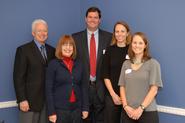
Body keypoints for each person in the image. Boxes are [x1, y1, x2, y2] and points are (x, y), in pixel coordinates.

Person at [72, 6, 112, 123]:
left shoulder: (109, 38)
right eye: (90, 17)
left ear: (100, 20)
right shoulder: (75, 38)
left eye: (96, 17)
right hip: (82, 88)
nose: (93, 20)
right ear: (85, 19)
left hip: (102, 89)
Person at [13, 19, 55, 123]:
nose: (42, 33)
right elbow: (18, 77)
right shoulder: (23, 50)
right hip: (29, 102)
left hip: (47, 102)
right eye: (39, 31)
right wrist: (22, 99)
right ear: (33, 33)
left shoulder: (52, 51)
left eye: (45, 31)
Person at [118, 32, 163, 123]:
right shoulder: (126, 64)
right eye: (134, 43)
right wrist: (126, 106)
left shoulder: (153, 64)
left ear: (145, 45)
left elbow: (154, 90)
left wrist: (140, 108)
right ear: (131, 45)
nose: (137, 45)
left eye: (140, 43)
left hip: (147, 112)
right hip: (128, 112)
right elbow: (122, 86)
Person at [45, 35, 89, 123]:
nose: (68, 48)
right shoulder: (53, 64)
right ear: (60, 47)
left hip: (77, 110)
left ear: (73, 48)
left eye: (70, 45)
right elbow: (48, 90)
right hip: (59, 111)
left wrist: (85, 108)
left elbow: (84, 87)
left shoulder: (79, 64)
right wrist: (51, 112)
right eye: (65, 45)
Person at [101, 21, 131, 123]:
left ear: (127, 33)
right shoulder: (109, 50)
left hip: (130, 96)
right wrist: (113, 95)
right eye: (117, 31)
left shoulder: (132, 50)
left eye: (122, 31)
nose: (119, 34)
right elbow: (105, 75)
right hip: (112, 96)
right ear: (114, 33)